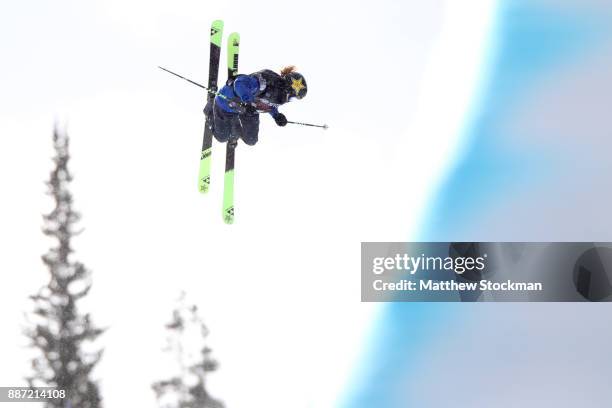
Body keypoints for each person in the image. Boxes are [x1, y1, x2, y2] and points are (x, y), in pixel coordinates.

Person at [204, 66, 307, 146]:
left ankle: (234, 131)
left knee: (251, 140)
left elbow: (268, 103)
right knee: (222, 137)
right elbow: (239, 83)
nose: (289, 100)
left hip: (248, 111)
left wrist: (276, 115)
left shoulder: (281, 96)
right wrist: (248, 101)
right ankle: (210, 108)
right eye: (292, 97)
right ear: (287, 88)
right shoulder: (264, 83)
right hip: (227, 104)